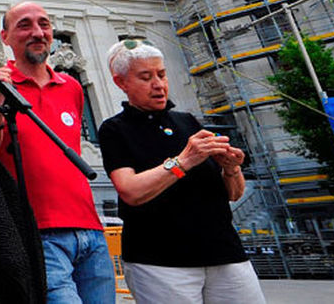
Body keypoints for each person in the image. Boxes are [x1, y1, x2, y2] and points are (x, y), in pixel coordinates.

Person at [97, 39, 265, 303]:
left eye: (162, 74)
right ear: (121, 83)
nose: (158, 84)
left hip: (225, 253)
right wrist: (183, 161)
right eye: (146, 77)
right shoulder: (115, 129)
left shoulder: (188, 122)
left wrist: (232, 169)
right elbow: (130, 191)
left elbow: (233, 194)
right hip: (161, 262)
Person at [0, 2, 115, 304]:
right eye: (25, 25)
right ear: (5, 36)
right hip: (38, 233)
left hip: (91, 229)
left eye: (44, 24)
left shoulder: (71, 87)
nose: (37, 32)